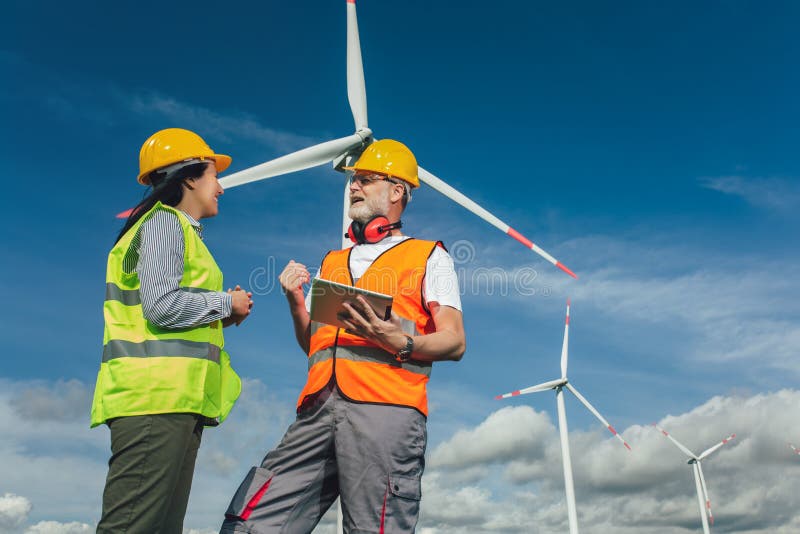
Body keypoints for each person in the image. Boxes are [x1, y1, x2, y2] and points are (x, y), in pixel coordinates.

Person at [220, 139, 465, 533]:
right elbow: (314, 346)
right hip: (317, 409)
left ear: (398, 190)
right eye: (353, 180)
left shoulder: (429, 257)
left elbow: (454, 341)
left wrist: (399, 341)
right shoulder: (332, 261)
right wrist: (296, 303)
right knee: (251, 520)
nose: (353, 186)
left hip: (385, 412)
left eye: (365, 180)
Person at [91, 128, 254, 533]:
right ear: (189, 177)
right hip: (154, 400)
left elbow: (164, 312)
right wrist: (225, 303)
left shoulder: (174, 231)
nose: (221, 188)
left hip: (172, 401)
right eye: (215, 176)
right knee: (133, 526)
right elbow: (162, 307)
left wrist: (222, 316)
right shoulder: (165, 224)